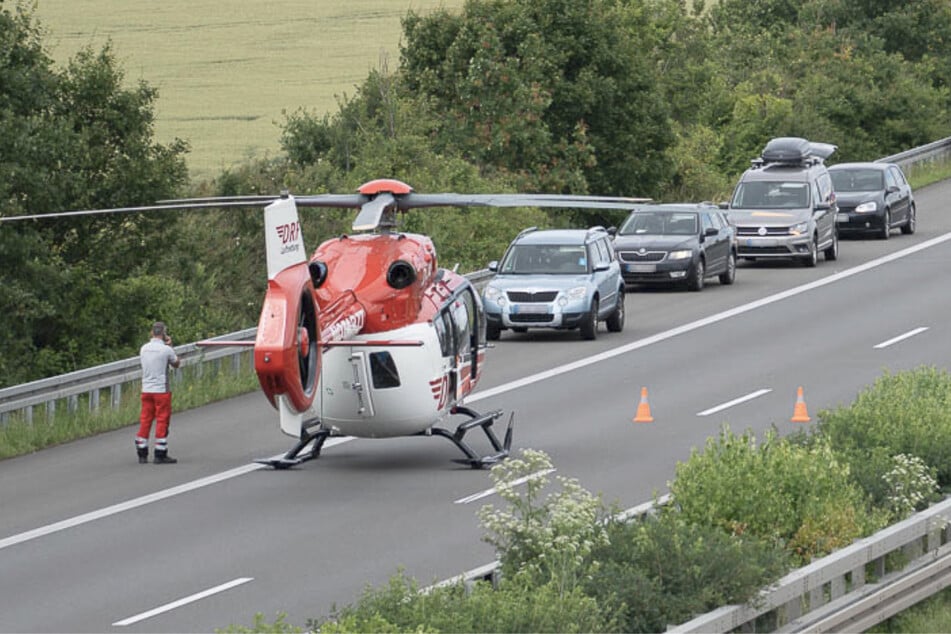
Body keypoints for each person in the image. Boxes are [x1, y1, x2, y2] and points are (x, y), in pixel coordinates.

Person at [136, 321, 181, 464]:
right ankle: (160, 453)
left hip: (146, 389)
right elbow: (176, 363)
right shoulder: (166, 350)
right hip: (161, 390)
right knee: (162, 419)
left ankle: (142, 451)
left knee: (145, 419)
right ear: (164, 333)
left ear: (152, 333)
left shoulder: (144, 348)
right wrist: (170, 345)